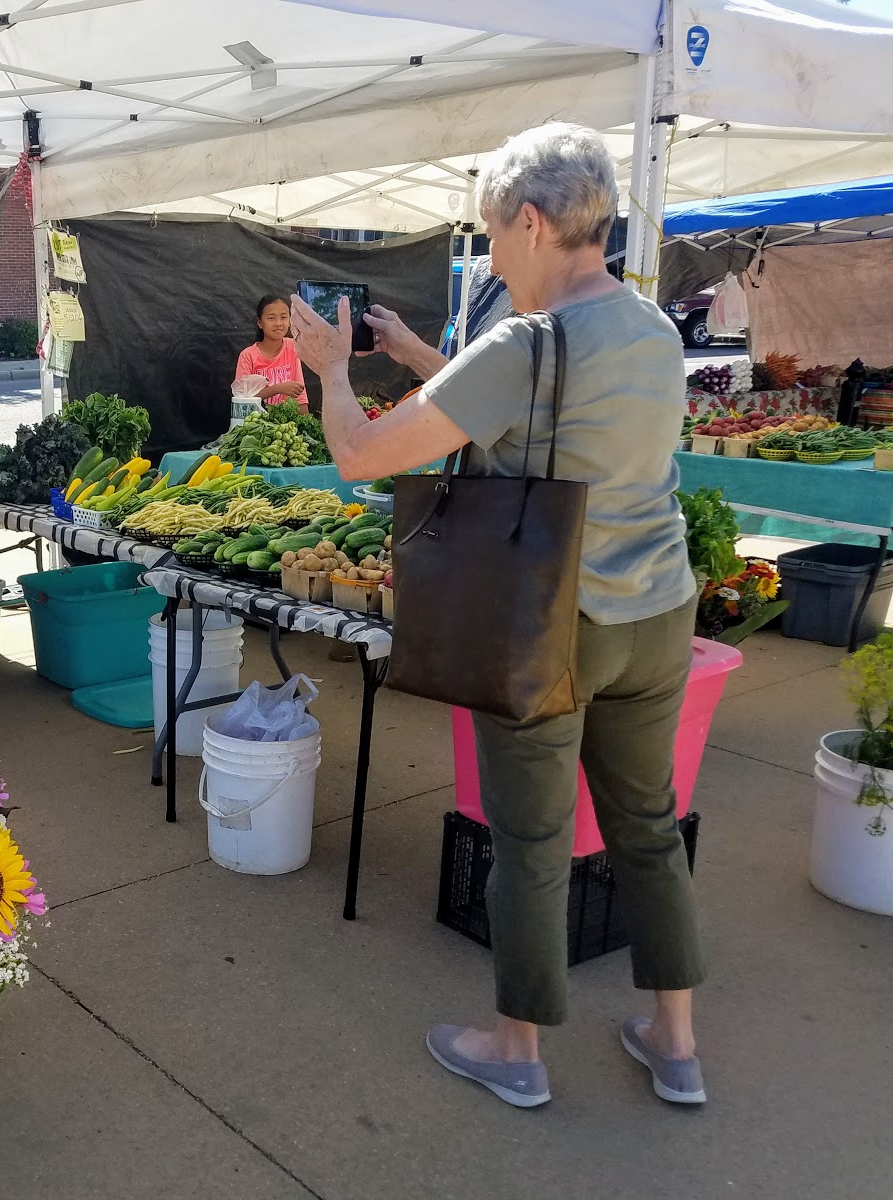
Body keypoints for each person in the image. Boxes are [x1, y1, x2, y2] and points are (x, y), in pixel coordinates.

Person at [290, 122, 704, 1110]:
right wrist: (418, 352)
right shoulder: (652, 328)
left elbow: (361, 455)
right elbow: (540, 409)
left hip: (551, 623)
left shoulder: (526, 341)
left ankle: (515, 1049)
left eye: (488, 233)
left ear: (529, 221)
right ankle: (674, 1044)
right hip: (658, 613)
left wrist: (333, 370)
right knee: (647, 829)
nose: (486, 252)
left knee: (531, 841)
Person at [235, 295, 308, 412]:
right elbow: (241, 401)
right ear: (260, 323)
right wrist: (276, 389)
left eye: (283, 317)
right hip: (256, 426)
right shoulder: (248, 356)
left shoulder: (293, 347)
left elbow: (300, 394)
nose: (278, 323)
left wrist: (306, 426)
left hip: (286, 427)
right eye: (271, 318)